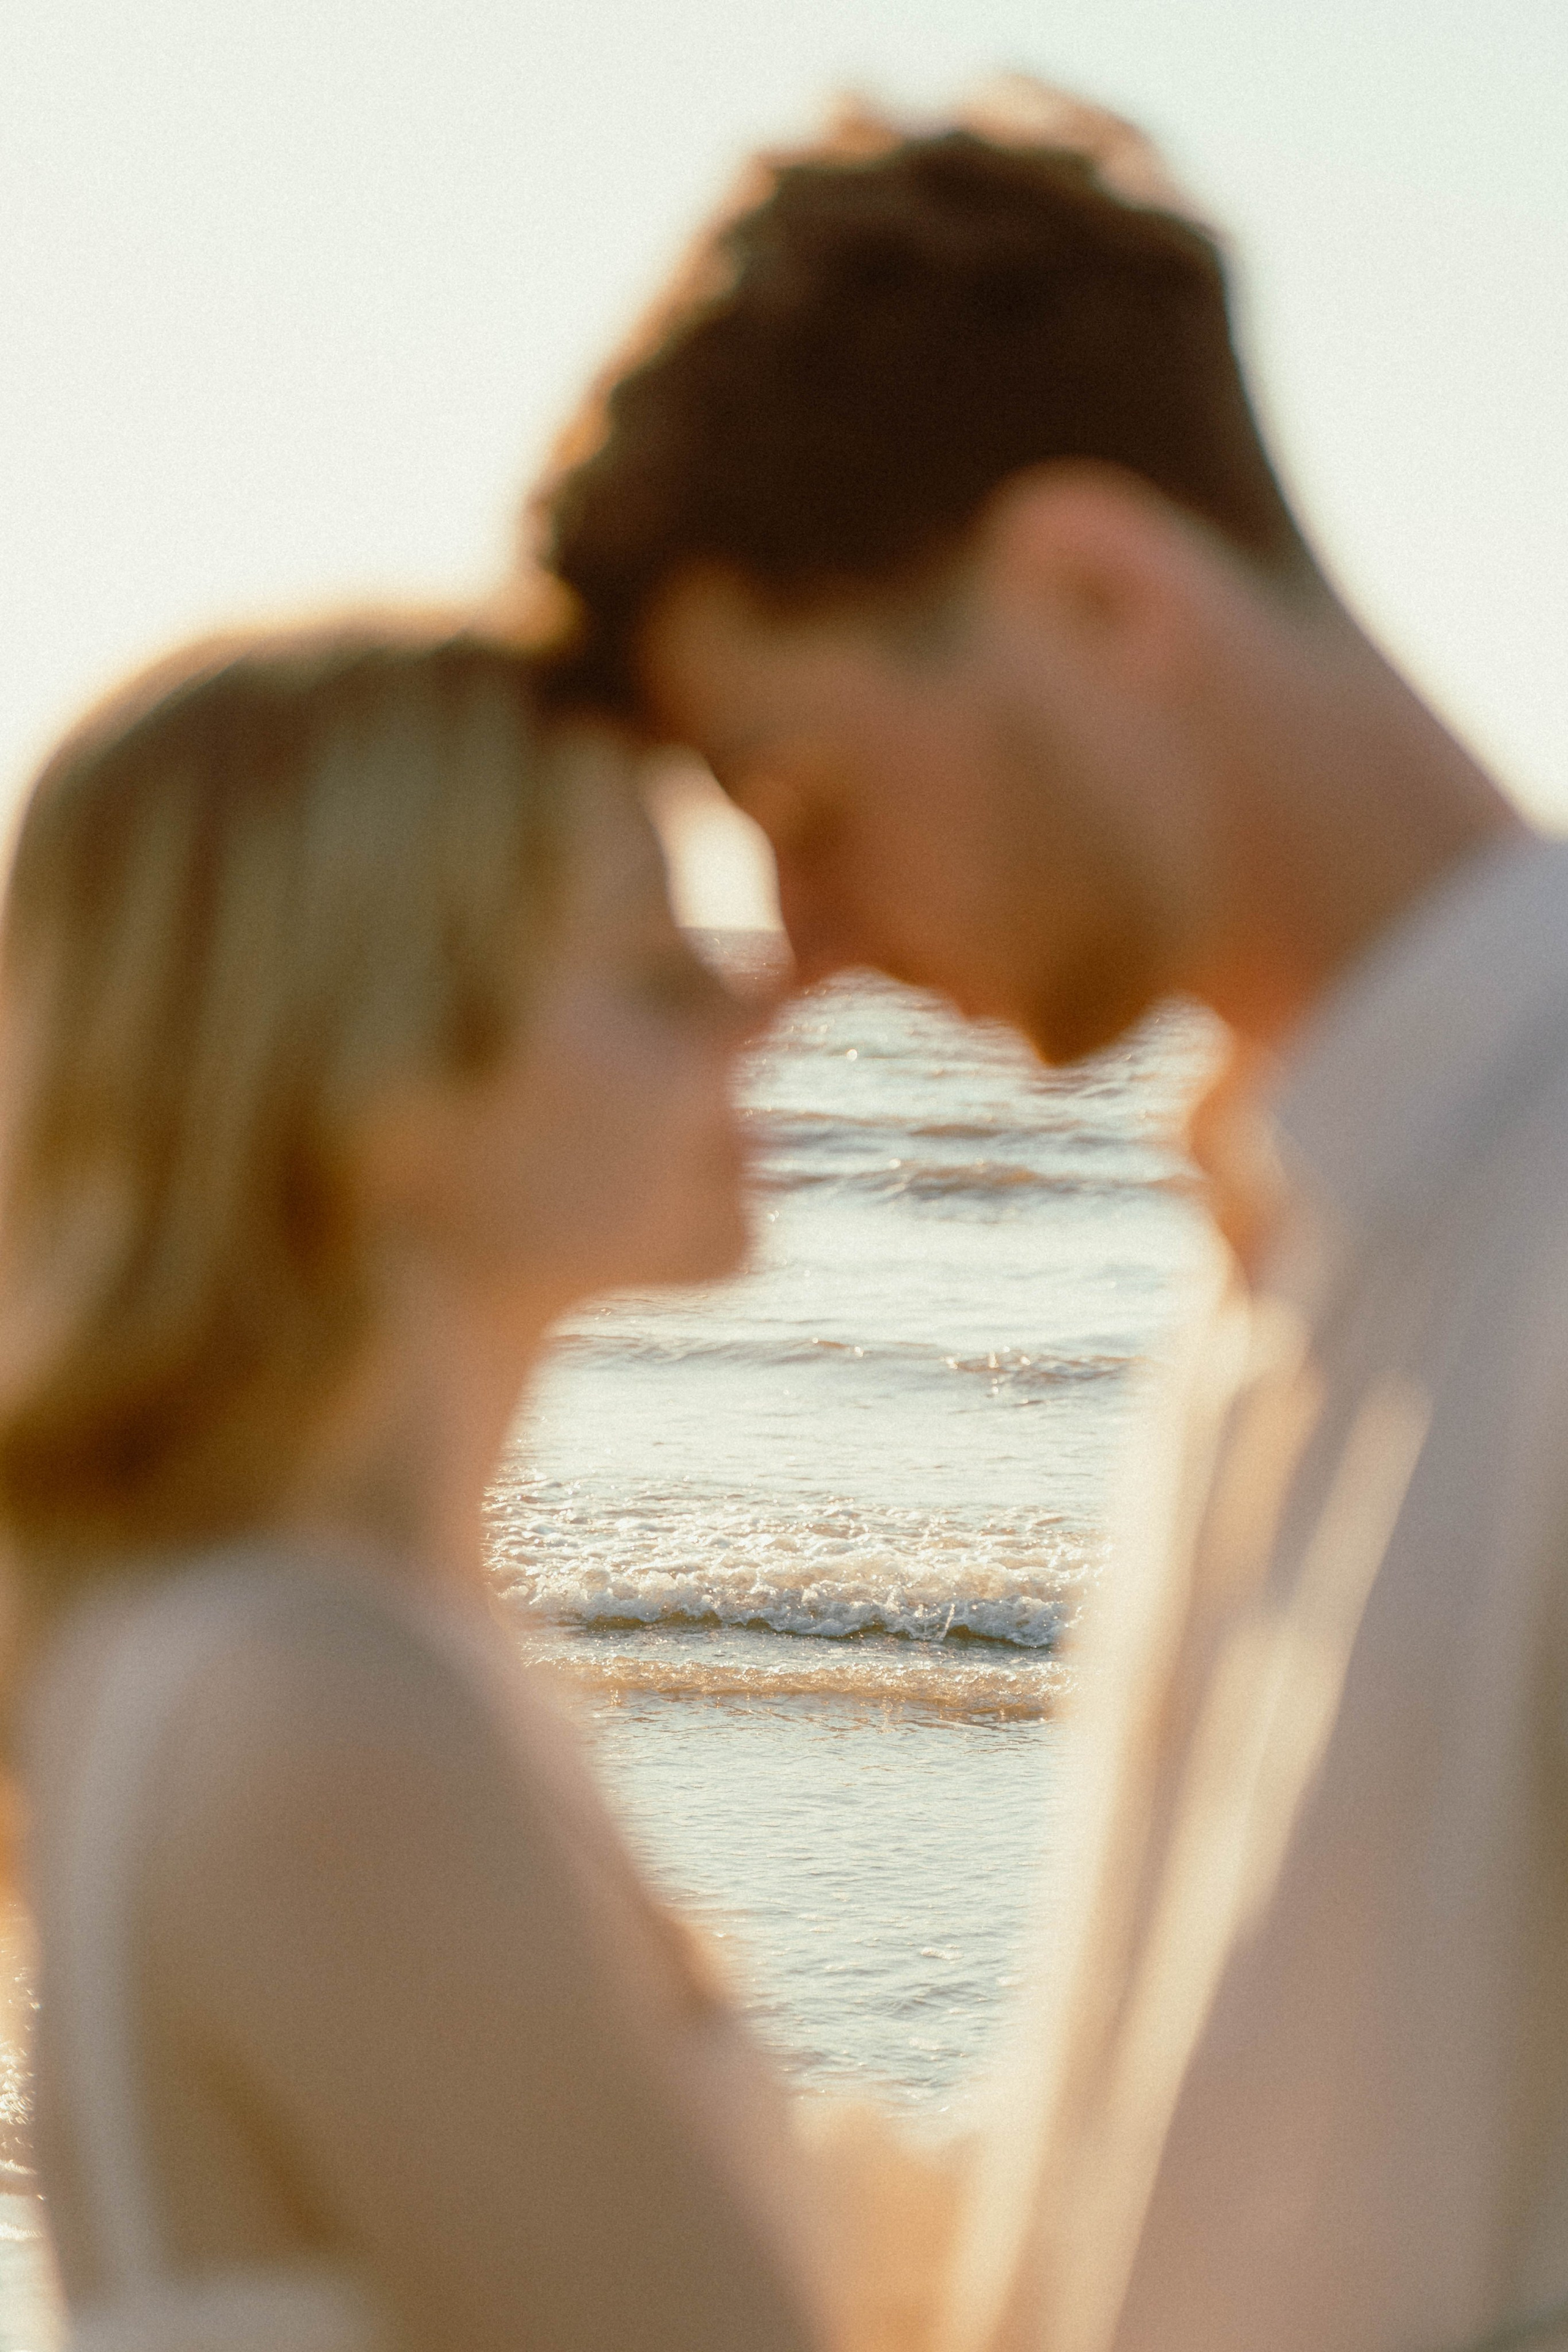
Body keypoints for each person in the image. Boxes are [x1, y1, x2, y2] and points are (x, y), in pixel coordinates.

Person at [529, 83, 1568, 2352]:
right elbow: (1216, 2211)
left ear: (1098, 593)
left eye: (798, 800)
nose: (791, 947)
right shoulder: (1277, 1265)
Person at [2, 616, 832, 2351]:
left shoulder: (322, 1648)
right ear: (378, 1084)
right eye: (653, 967)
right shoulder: (313, 1715)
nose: (763, 1000)